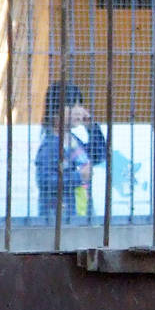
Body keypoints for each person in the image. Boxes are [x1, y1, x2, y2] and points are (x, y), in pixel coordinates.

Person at [35, 82, 108, 221]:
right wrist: (78, 177)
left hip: (80, 213)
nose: (79, 110)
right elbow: (44, 181)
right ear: (55, 110)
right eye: (71, 106)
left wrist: (92, 128)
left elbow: (98, 155)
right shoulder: (51, 144)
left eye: (79, 105)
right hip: (59, 217)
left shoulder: (73, 140)